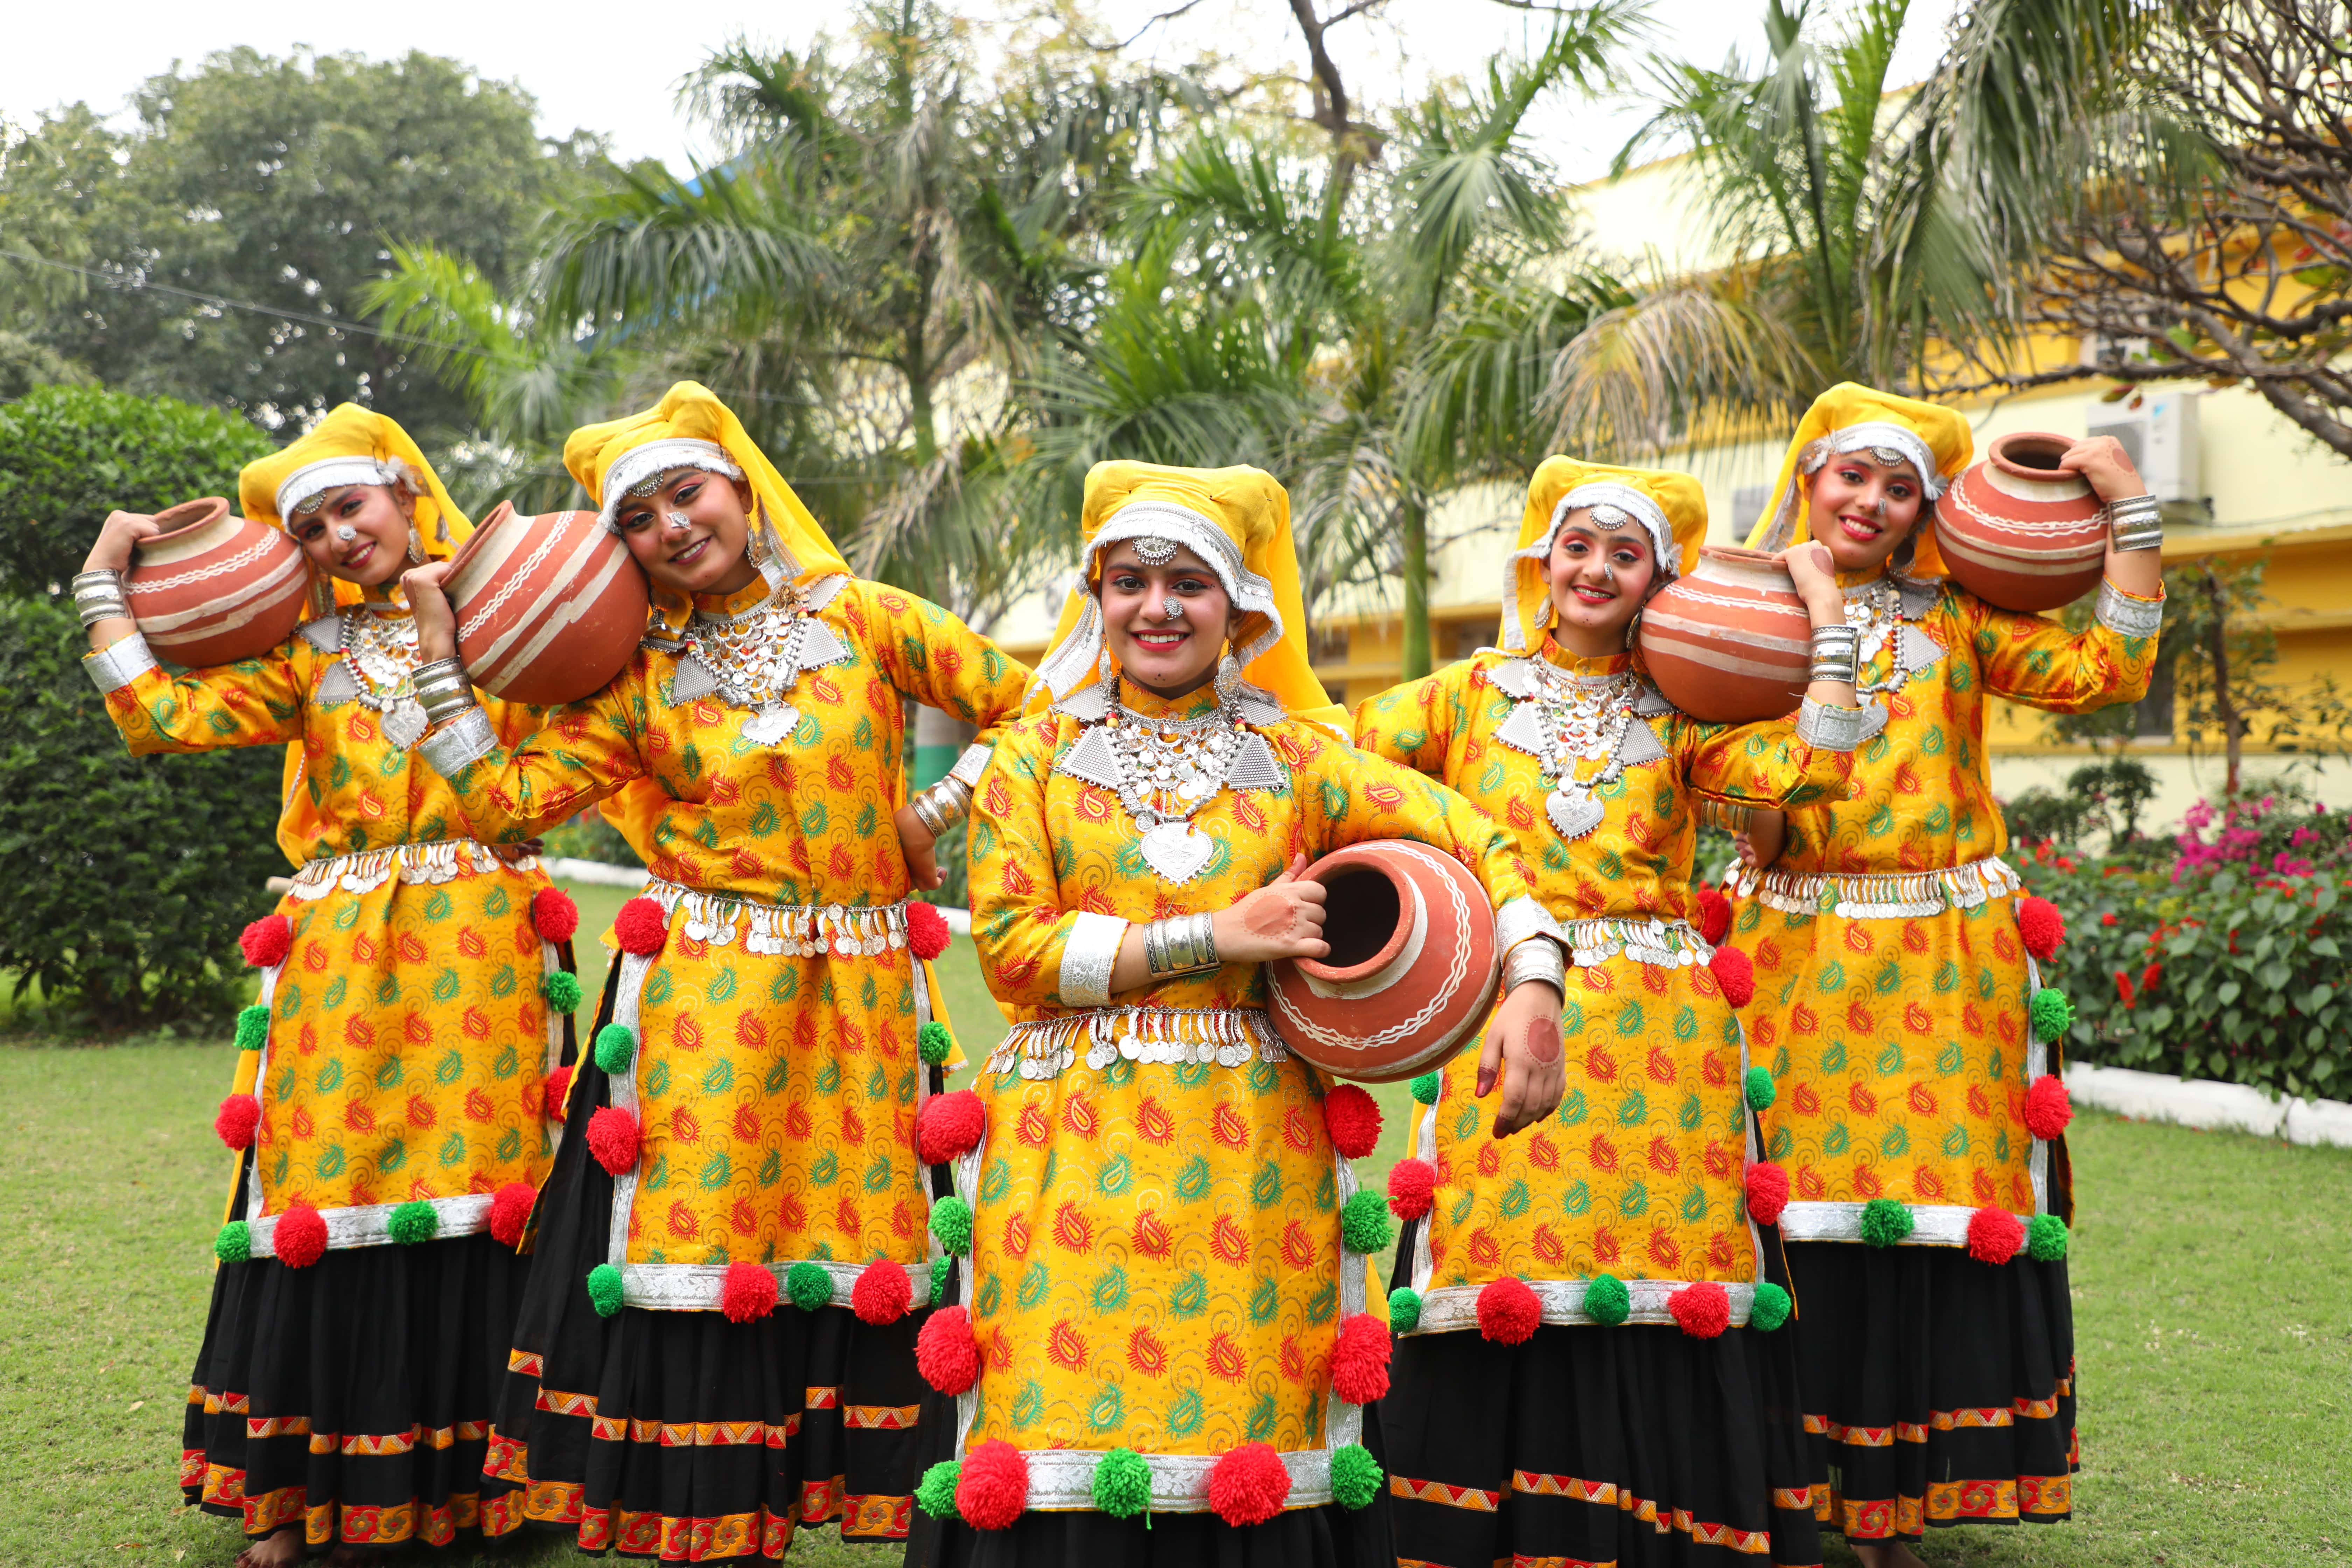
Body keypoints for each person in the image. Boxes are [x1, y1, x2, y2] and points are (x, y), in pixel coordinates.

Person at [399, 381, 1030, 1561]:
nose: (674, 527)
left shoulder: (864, 617)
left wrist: (933, 809)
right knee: (702, 1245)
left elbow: (1037, 707)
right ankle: (707, 1520)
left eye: (686, 493)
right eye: (639, 519)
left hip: (860, 995)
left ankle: (845, 1493)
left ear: (740, 484)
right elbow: (508, 805)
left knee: (862, 1237)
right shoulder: (634, 676)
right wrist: (442, 664)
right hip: (704, 999)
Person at [903, 460, 1566, 1568]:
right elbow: (1015, 950)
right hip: (1068, 1151)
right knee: (1063, 1404)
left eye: (1188, 584)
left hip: (1253, 1155)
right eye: (1129, 582)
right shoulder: (1036, 755)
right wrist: (1219, 935)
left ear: (1241, 605)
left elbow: (1485, 837)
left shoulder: (1301, 760)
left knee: (1246, 1408)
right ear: (1096, 596)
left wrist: (1534, 978)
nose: (1157, 607)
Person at [73, 406, 580, 1565]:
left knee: (488, 1195)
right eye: (311, 529)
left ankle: (486, 1494)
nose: (340, 537)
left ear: (404, 491)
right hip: (340, 959)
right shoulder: (310, 657)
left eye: (350, 506)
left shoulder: (509, 617)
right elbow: (160, 719)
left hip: (487, 950)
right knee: (323, 1188)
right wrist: (104, 578)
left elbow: (609, 723)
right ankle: (310, 1494)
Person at [1352, 456, 1862, 1568]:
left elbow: (1812, 771)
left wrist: (1826, 611)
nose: (1595, 570)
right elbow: (1331, 764)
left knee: (1663, 1274)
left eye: (1624, 555)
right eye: (1577, 546)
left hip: (1664, 1043)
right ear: (1542, 560)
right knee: (1495, 1260)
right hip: (1512, 1009)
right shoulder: (1468, 694)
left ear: (1658, 581)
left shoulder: (1687, 715)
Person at [1728, 384, 2164, 1562]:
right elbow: (1734, 791)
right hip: (1795, 958)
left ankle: (1897, 1504)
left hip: (1947, 959)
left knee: (1928, 1224)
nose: (1871, 503)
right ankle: (1782, 1488)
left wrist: (2132, 513)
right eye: (1851, 476)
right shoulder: (1739, 613)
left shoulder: (1958, 615)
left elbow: (2107, 671)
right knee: (1791, 1219)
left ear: (1927, 510)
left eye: (1900, 488)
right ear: (1808, 478)